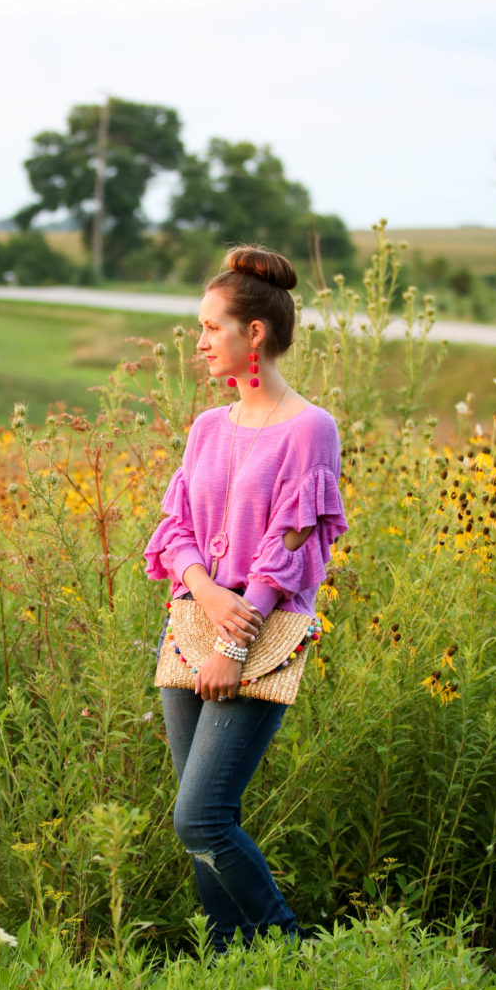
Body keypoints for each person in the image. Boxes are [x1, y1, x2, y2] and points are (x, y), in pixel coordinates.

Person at [144, 244, 349, 953]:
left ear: (252, 334)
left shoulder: (309, 429)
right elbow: (176, 531)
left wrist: (235, 642)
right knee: (194, 814)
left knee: (201, 818)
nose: (199, 342)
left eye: (210, 327)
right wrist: (202, 588)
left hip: (256, 638)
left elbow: (291, 547)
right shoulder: (208, 428)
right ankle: (226, 966)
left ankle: (290, 952)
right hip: (188, 624)